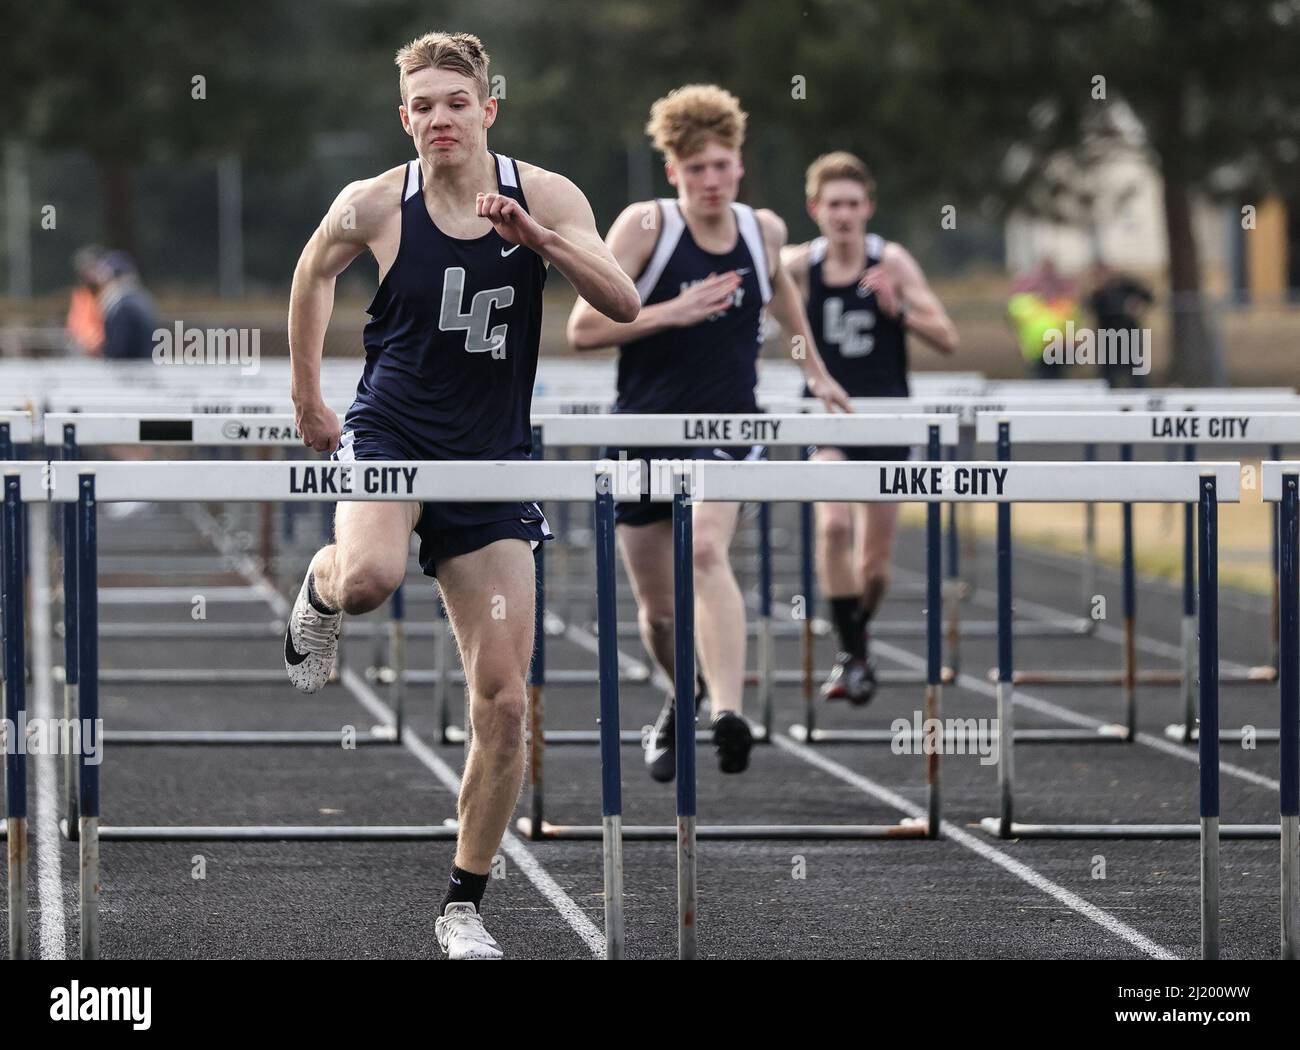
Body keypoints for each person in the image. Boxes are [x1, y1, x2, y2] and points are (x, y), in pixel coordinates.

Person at [283, 31, 638, 960]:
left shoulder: (547, 193)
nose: (440, 119)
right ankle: (319, 587)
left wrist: (543, 244)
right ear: (405, 119)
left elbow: (625, 303)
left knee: (506, 701)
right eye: (422, 106)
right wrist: (309, 397)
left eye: (456, 101)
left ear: (489, 107)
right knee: (369, 580)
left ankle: (463, 905)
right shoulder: (373, 204)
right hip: (393, 433)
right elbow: (312, 273)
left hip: (492, 461)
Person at [567, 85, 850, 782]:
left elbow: (781, 293)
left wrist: (815, 369)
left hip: (727, 425)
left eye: (723, 166)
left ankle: (728, 711)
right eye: (697, 170)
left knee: (703, 553)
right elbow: (582, 329)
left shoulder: (765, 231)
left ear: (740, 166)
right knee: (659, 615)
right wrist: (671, 311)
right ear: (675, 173)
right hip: (641, 427)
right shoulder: (645, 227)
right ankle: (684, 691)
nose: (712, 181)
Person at [782, 152, 957, 705]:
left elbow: (946, 336)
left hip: (887, 420)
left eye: (854, 204)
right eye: (834, 204)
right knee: (833, 527)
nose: (844, 215)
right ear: (815, 209)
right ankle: (854, 656)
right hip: (827, 417)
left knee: (875, 569)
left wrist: (896, 306)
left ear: (869, 208)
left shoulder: (892, 261)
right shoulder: (799, 266)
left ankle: (854, 647)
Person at [1007, 257, 1078, 379]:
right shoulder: (1025, 301)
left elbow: (1073, 324)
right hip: (1035, 353)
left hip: (1059, 352)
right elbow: (1014, 322)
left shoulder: (1063, 302)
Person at [1087, 261, 1153, 388]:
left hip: (1129, 337)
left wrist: (1136, 304)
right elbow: (1099, 309)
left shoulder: (1126, 287)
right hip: (1107, 339)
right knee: (1109, 375)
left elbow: (1148, 297)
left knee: (1136, 371)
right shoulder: (1098, 295)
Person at [67, 245, 106, 354]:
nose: (88, 273)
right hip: (85, 350)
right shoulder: (81, 295)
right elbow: (76, 325)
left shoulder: (108, 295)